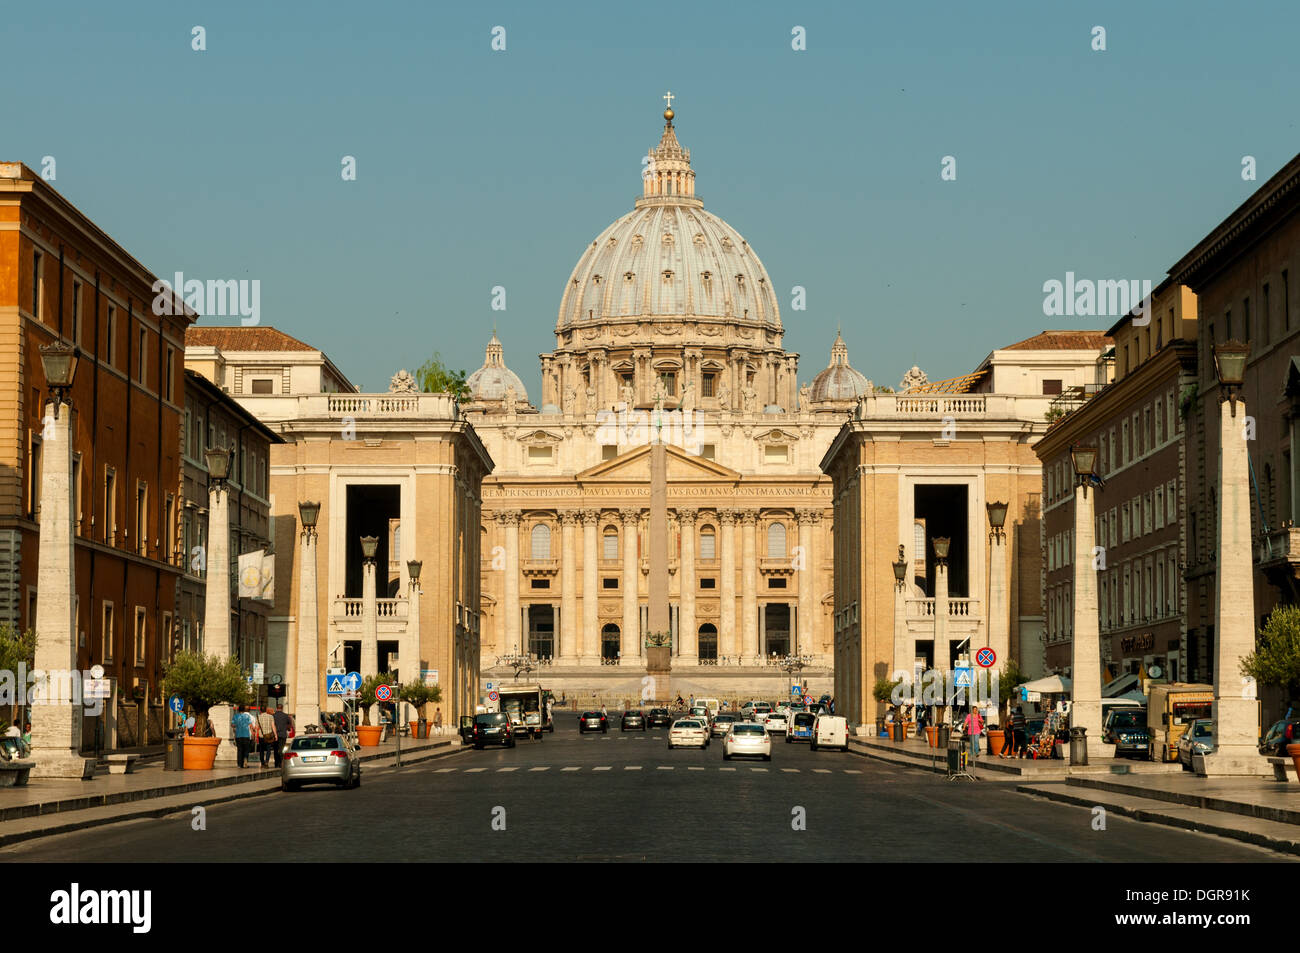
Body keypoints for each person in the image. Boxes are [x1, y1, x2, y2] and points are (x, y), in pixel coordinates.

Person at [271, 703, 293, 767]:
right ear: (282, 708)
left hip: (275, 735)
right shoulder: (286, 716)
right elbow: (290, 724)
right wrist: (287, 728)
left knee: (275, 749)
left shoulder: (273, 715)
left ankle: (276, 763)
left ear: (276, 708)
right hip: (283, 734)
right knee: (281, 749)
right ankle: (281, 763)